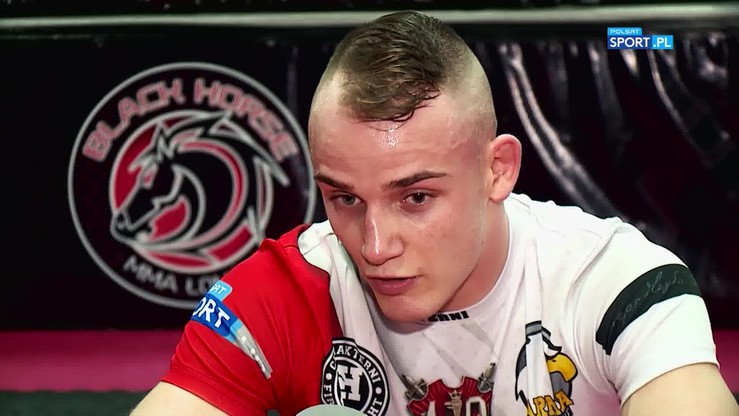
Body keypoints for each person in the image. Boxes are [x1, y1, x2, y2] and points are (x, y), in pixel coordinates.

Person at [131, 10, 738, 416]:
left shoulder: (615, 283)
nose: (374, 246)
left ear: (497, 169)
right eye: (345, 198)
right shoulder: (286, 290)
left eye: (415, 198)